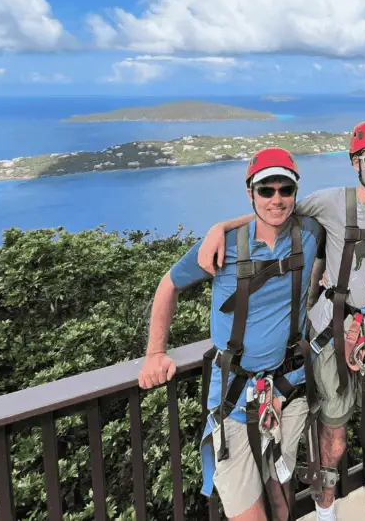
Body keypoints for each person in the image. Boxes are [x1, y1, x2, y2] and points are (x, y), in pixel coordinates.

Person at [195, 120, 365, 521]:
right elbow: (277, 213)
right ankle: (326, 510)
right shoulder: (328, 202)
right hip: (331, 331)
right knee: (333, 434)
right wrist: (219, 228)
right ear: (356, 163)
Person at [138, 147, 327, 521]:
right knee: (247, 511)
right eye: (265, 190)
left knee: (281, 495)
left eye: (284, 189)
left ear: (295, 192)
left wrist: (222, 223)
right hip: (234, 398)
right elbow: (169, 285)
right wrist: (154, 353)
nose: (276, 199)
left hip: (287, 389)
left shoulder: (309, 232)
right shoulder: (223, 248)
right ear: (250, 193)